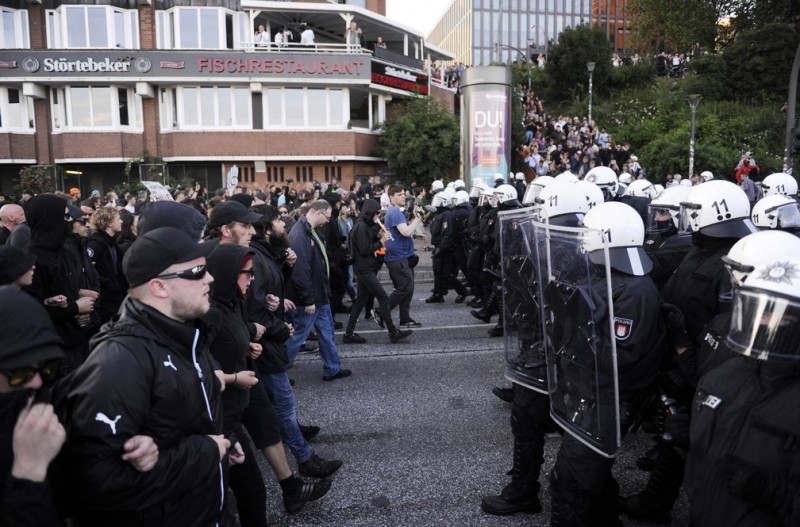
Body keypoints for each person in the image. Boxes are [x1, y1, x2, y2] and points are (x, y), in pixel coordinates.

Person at [57, 227, 234, 525]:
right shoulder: (120, 360)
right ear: (159, 287)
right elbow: (98, 484)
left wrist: (223, 447)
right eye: (198, 271)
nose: (210, 278)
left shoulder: (186, 334)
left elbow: (182, 423)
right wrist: (205, 453)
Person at [548, 201, 665, 526]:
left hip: (611, 399)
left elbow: (619, 358)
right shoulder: (606, 277)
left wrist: (576, 331)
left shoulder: (636, 292)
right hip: (591, 392)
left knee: (569, 480)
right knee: (591, 477)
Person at [684, 252, 800, 526]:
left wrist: (776, 492)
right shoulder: (728, 374)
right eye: (759, 309)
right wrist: (691, 436)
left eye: (777, 314)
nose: (762, 322)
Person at [248, 205, 344, 479]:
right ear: (268, 229)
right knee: (282, 405)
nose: (284, 225)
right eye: (279, 221)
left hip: (268, 342)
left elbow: (271, 291)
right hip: (266, 346)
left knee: (272, 406)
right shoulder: (256, 257)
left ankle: (296, 448)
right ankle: (305, 459)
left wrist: (285, 268)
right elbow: (253, 309)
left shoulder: (267, 254)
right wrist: (280, 326)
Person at [0, 287, 66, 527]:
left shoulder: (32, 397)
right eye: (20, 372)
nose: (37, 380)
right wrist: (28, 473)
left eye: (46, 366)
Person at [286, 200, 352, 381]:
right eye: (328, 217)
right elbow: (300, 271)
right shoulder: (300, 235)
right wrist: (308, 299)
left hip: (319, 295)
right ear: (318, 213)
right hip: (311, 297)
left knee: (326, 331)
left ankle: (332, 368)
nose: (328, 221)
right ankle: (277, 371)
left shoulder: (311, 230)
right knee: (299, 335)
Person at [343, 199, 412, 344]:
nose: (377, 216)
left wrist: (378, 233)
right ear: (369, 212)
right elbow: (365, 249)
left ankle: (348, 334)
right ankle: (393, 332)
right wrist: (382, 241)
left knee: (360, 301)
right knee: (384, 298)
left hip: (363, 268)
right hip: (364, 269)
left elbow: (367, 240)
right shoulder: (360, 227)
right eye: (375, 213)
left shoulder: (363, 225)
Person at [383, 185, 422, 328]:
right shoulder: (394, 212)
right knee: (404, 287)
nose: (403, 196)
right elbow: (405, 232)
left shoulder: (396, 211)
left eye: (403, 194)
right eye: (399, 194)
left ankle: (404, 318)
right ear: (392, 197)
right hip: (397, 257)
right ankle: (382, 312)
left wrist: (415, 234)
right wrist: (417, 219)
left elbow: (400, 232)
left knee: (408, 288)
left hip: (403, 255)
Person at [88, 207, 127, 324]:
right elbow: (90, 270)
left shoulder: (112, 243)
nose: (121, 221)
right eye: (118, 219)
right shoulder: (96, 244)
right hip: (105, 301)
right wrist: (108, 283)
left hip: (116, 298)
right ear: (109, 223)